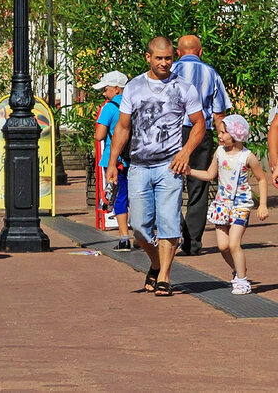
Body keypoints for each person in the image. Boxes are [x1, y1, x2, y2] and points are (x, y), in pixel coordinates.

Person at [106, 36, 205, 297]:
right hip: (138, 165)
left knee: (169, 223)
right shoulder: (134, 87)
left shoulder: (184, 87)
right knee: (139, 227)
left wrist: (185, 153)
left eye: (168, 58)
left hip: (169, 166)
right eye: (159, 58)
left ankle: (164, 276)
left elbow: (199, 124)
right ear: (148, 57)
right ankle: (156, 263)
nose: (164, 63)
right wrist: (113, 162)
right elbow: (123, 127)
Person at [187, 115, 269, 294]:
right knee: (223, 247)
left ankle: (242, 280)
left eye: (225, 133)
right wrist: (190, 171)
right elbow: (210, 174)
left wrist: (262, 205)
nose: (221, 136)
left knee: (233, 244)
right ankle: (239, 270)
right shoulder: (219, 152)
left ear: (237, 134)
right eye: (220, 133)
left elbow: (261, 179)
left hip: (240, 205)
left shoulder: (247, 157)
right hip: (221, 204)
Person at [171, 34, 231, 256]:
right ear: (200, 51)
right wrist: (222, 139)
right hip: (201, 132)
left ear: (178, 52)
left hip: (173, 133)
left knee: (169, 182)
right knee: (199, 186)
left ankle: (174, 232)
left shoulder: (170, 72)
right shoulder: (212, 74)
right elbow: (219, 112)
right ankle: (192, 241)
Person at [91, 71, 130, 250]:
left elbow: (99, 136)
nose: (104, 94)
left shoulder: (109, 107)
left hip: (114, 159)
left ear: (116, 89)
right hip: (135, 157)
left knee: (118, 196)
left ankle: (124, 238)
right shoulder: (134, 104)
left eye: (106, 89)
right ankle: (143, 235)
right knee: (137, 197)